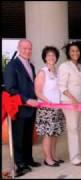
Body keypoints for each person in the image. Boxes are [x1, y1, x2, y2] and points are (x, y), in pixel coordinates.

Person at [4, 39, 41, 177]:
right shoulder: (12, 65)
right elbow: (10, 88)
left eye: (30, 48)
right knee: (18, 136)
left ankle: (28, 159)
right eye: (25, 48)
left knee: (27, 136)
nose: (28, 51)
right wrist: (26, 100)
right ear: (18, 48)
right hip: (19, 107)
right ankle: (19, 163)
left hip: (32, 107)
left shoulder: (31, 66)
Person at [35, 46, 65, 167]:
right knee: (48, 134)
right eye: (48, 55)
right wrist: (48, 102)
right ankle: (48, 159)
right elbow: (37, 91)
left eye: (53, 55)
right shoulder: (42, 72)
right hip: (47, 108)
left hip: (57, 108)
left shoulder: (56, 72)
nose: (51, 57)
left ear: (56, 57)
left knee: (55, 134)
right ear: (44, 58)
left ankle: (53, 155)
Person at [58, 42, 81, 166]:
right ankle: (74, 157)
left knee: (79, 128)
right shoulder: (64, 66)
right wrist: (73, 99)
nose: (75, 53)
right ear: (68, 53)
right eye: (72, 51)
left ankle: (79, 154)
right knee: (73, 129)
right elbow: (62, 86)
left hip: (80, 102)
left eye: (77, 51)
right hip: (69, 102)